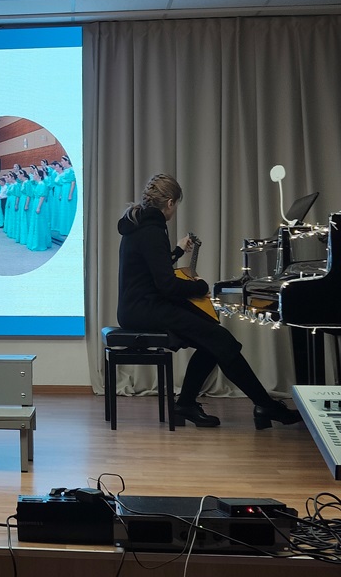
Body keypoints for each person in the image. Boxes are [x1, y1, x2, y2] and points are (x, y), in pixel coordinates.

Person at [117, 173, 301, 429]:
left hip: (138, 306)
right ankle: (264, 405)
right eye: (176, 205)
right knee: (220, 340)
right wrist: (201, 287)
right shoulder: (152, 230)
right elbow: (167, 285)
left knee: (214, 339)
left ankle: (189, 403)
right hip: (145, 308)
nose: (175, 210)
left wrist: (178, 251)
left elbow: (152, 268)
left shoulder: (139, 225)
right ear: (170, 203)